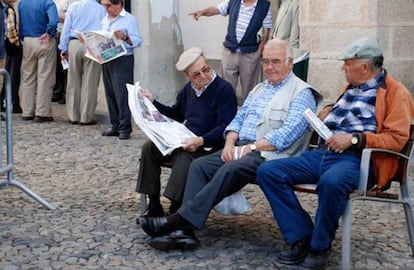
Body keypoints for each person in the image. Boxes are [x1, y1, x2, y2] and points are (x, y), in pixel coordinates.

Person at [139, 39, 322, 250]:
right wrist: (229, 142)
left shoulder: (301, 93)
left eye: (276, 61)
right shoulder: (259, 89)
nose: (270, 67)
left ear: (290, 62)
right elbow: (238, 119)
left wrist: (250, 148)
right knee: (199, 166)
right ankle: (184, 233)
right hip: (241, 147)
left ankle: (177, 221)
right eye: (266, 62)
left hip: (271, 155)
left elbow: (287, 135)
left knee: (230, 167)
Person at [256, 37, 414, 269]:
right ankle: (301, 236)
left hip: (359, 160)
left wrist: (353, 140)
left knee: (332, 182)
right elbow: (344, 118)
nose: (342, 68)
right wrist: (326, 116)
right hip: (324, 153)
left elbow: (397, 139)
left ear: (364, 67)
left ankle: (319, 247)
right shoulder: (351, 87)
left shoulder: (396, 93)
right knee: (268, 170)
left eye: (346, 63)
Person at [136, 47, 238, 217]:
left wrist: (201, 140)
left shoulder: (223, 89)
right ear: (187, 76)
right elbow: (177, 114)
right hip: (187, 140)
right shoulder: (188, 90)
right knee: (149, 148)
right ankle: (153, 203)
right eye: (196, 74)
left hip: (210, 146)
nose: (203, 76)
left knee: (183, 157)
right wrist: (153, 103)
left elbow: (225, 126)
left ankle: (175, 210)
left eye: (205, 69)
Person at [189, 0, 272, 99]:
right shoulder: (233, 1)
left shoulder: (265, 5)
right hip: (230, 51)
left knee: (249, 88)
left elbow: (267, 30)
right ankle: (228, 112)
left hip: (250, 54)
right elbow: (216, 10)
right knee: (226, 88)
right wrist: (203, 12)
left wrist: (260, 51)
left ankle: (248, 113)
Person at [100, 0, 142, 140]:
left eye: (108, 5)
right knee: (110, 92)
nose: (106, 8)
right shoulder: (105, 19)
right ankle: (115, 125)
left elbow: (137, 40)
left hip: (123, 58)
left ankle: (125, 127)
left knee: (122, 94)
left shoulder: (129, 19)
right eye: (104, 5)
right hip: (107, 57)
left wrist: (125, 37)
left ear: (119, 4)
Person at [59, 0, 106, 125]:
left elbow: (66, 27)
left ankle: (73, 115)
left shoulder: (74, 6)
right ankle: (86, 117)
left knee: (73, 80)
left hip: (75, 42)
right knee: (90, 82)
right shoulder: (101, 9)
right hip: (92, 43)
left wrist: (63, 48)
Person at [18, 0, 59, 122]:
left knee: (27, 77)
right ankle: (42, 112)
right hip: (43, 40)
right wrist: (49, 32)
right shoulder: (48, 3)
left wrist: (23, 38)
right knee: (45, 77)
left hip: (28, 40)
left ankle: (27, 110)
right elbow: (53, 21)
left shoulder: (22, 3)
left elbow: (20, 24)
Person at [52, 0, 80, 105]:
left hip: (65, 35)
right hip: (54, 34)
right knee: (57, 67)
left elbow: (71, 18)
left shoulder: (71, 2)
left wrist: (54, 16)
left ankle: (65, 94)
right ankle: (57, 92)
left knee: (66, 67)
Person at [0, 0, 21, 116]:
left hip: (5, 47)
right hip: (8, 48)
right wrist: (16, 43)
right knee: (9, 75)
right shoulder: (9, 9)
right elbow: (11, 30)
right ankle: (9, 101)